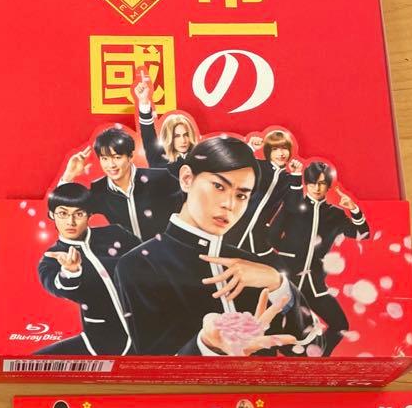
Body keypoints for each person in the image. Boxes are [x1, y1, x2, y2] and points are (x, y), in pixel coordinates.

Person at [113, 135, 322, 356]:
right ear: (187, 179)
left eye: (241, 195)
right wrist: (207, 346)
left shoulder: (256, 268)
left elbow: (313, 350)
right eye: (219, 186)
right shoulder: (138, 265)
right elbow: (155, 369)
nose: (229, 204)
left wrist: (278, 284)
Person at [263, 160, 369, 356]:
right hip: (287, 280)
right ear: (306, 183)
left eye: (321, 183)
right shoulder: (293, 206)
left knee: (340, 325)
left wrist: (353, 209)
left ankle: (318, 360)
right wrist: (290, 253)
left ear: (328, 186)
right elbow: (271, 237)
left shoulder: (335, 215)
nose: (317, 188)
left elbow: (362, 233)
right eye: (312, 182)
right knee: (273, 329)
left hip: (314, 284)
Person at [35, 183, 139, 355]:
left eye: (79, 214)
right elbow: (59, 288)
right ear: (52, 215)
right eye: (63, 213)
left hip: (147, 329)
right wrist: (71, 272)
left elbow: (149, 260)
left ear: (89, 215)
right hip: (103, 340)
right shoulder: (51, 259)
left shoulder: (116, 234)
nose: (71, 222)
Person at [62, 127, 181, 241]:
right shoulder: (99, 190)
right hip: (129, 255)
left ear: (130, 156)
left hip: (166, 251)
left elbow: (189, 201)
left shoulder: (159, 179)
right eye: (105, 159)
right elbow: (63, 212)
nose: (111, 165)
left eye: (117, 157)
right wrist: (69, 175)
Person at [234, 129, 296, 256]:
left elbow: (294, 205)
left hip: (259, 237)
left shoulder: (289, 179)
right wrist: (250, 148)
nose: (280, 153)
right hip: (234, 226)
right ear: (268, 151)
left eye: (284, 148)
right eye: (275, 149)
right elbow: (232, 165)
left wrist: (296, 176)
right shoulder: (257, 165)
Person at [132, 69, 199, 179]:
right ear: (169, 137)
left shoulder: (201, 160)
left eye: (186, 135)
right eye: (177, 136)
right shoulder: (158, 157)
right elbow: (147, 132)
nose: (183, 140)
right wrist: (143, 101)